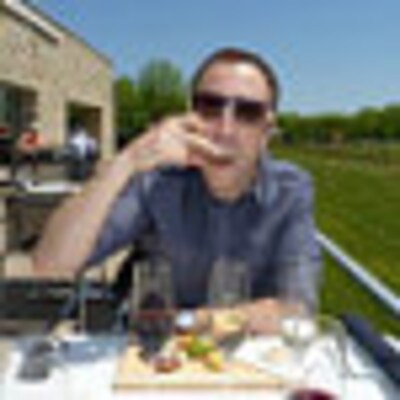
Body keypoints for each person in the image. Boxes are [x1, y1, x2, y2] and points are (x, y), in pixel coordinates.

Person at [33, 47, 321, 332]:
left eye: (248, 112)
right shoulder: (158, 181)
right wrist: (126, 162)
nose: (225, 130)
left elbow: (298, 309)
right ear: (191, 115)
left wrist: (188, 322)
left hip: (242, 353)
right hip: (155, 353)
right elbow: (51, 265)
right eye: (211, 106)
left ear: (266, 130)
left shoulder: (289, 190)